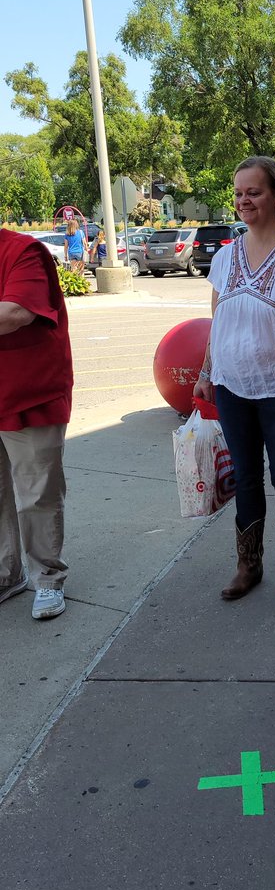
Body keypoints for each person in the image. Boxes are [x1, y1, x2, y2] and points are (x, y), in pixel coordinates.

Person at [193, 156, 275, 606]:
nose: (244, 200)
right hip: (231, 383)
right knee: (246, 478)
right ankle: (249, 563)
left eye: (254, 191)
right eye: (239, 192)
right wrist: (207, 372)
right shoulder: (226, 255)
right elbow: (217, 317)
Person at [0, 228, 74, 620]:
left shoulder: (22, 251)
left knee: (37, 493)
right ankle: (6, 574)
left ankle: (47, 577)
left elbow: (16, 313)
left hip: (30, 394)